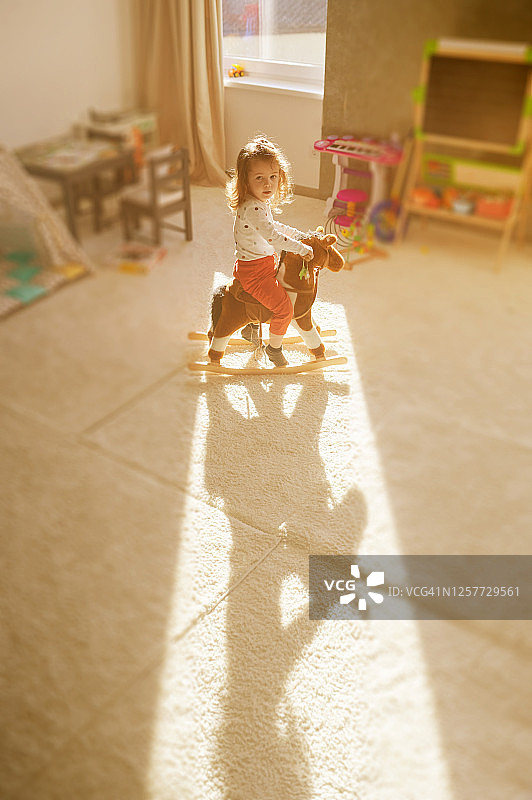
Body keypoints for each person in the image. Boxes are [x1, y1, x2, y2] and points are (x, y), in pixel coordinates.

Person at [226, 136, 313, 367]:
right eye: (259, 178)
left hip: (262, 264)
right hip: (254, 272)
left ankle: (251, 326)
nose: (268, 184)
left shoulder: (258, 203)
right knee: (284, 307)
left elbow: (273, 226)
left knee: (281, 289)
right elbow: (273, 236)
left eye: (273, 177)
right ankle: (274, 349)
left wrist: (298, 234)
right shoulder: (253, 208)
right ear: (245, 180)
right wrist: (301, 248)